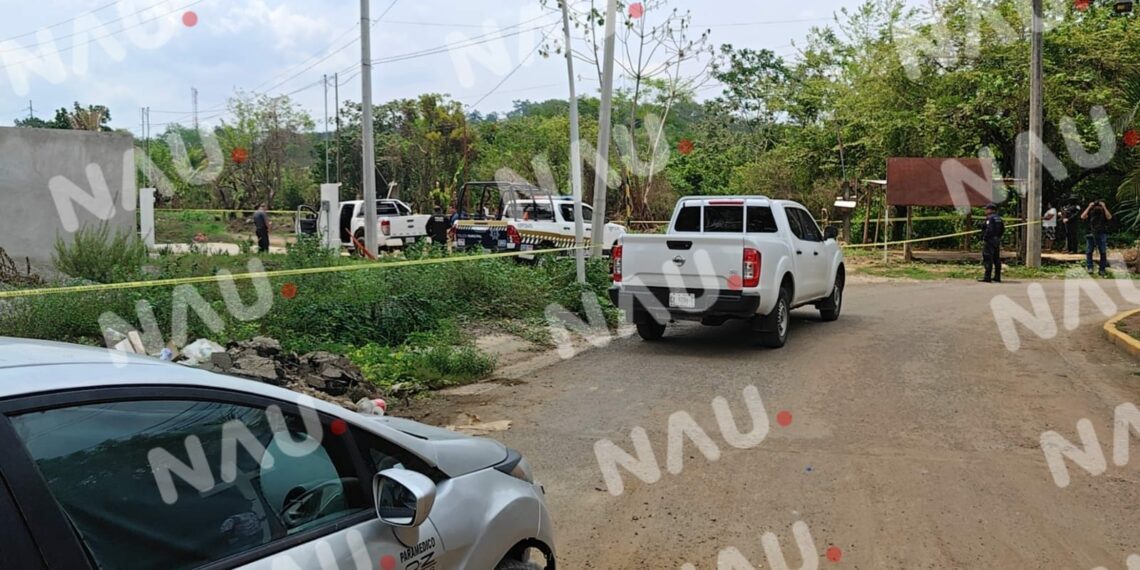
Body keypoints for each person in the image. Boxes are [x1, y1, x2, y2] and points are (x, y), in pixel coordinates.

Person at [1081, 199, 1113, 276]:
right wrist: (1089, 207)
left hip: (1102, 232)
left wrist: (1104, 207)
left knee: (1103, 251)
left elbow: (1109, 217)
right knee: (1089, 251)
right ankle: (1090, 268)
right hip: (1091, 232)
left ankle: (1102, 269)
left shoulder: (1103, 212)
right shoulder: (1091, 211)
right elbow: (1082, 216)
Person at [979, 203, 1004, 283]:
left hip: (990, 240)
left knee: (987, 257)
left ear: (991, 210)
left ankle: (987, 277)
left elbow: (989, 229)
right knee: (996, 258)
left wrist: (985, 238)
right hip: (996, 240)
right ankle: (997, 277)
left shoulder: (990, 218)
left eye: (986, 209)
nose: (985, 211)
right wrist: (998, 237)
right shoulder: (999, 218)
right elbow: (1002, 229)